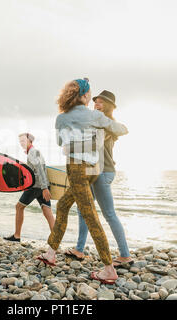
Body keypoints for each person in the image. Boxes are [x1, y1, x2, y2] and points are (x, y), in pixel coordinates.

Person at [36, 78, 128, 284]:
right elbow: (122, 130)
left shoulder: (61, 118)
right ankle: (51, 253)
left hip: (77, 169)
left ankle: (109, 269)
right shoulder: (95, 115)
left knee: (90, 215)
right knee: (63, 205)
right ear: (85, 96)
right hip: (95, 169)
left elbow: (61, 143)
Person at [64, 90, 134, 267]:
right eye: (96, 101)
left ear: (109, 106)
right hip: (92, 170)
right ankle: (79, 249)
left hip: (103, 171)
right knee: (83, 210)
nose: (97, 104)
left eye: (101, 102)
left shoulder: (109, 124)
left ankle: (125, 255)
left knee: (109, 213)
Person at [4, 133, 55, 242]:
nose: (21, 143)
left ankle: (17, 235)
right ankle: (56, 238)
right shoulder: (34, 152)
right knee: (47, 211)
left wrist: (44, 188)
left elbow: (40, 169)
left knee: (19, 207)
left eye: (23, 141)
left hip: (36, 186)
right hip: (42, 185)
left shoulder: (33, 152)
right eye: (20, 141)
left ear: (30, 141)